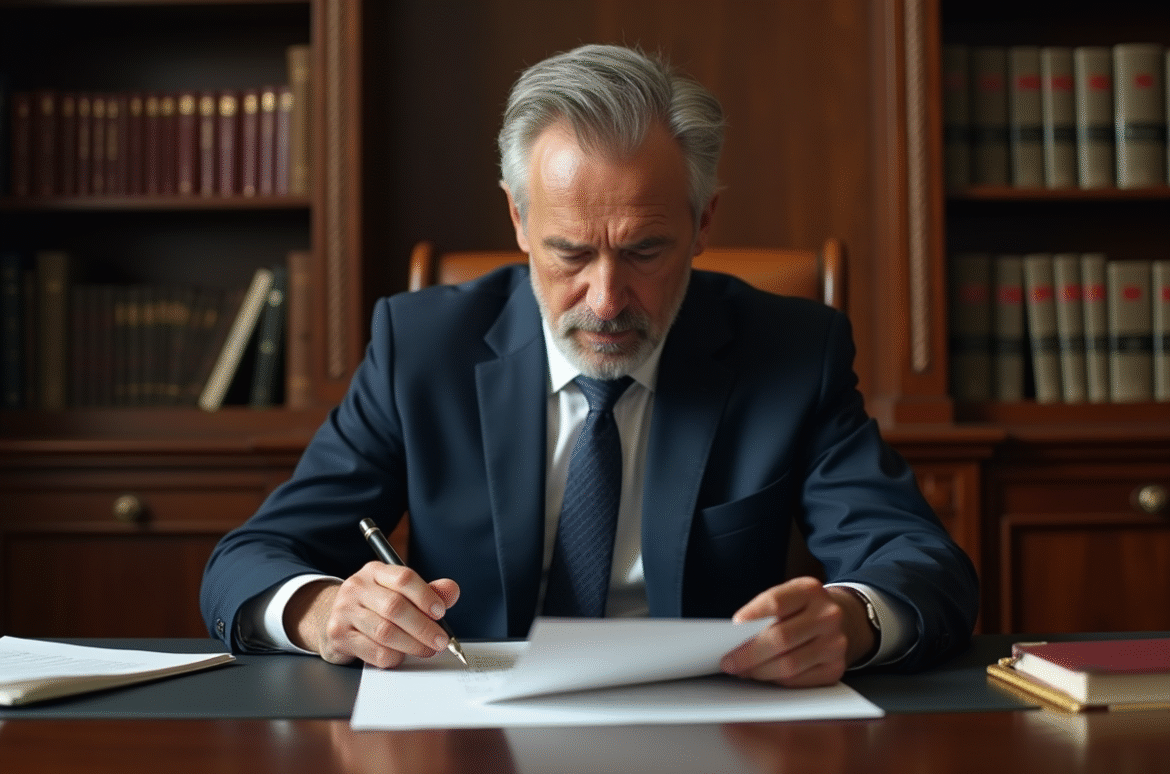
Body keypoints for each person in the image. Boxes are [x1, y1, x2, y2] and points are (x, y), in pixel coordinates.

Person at [201, 43, 978, 688]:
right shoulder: (422, 347)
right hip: (473, 731)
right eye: (570, 252)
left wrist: (855, 618)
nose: (606, 300)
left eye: (645, 250)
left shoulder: (790, 351)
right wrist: (322, 610)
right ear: (518, 216)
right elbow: (249, 559)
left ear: (703, 221)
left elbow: (921, 562)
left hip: (706, 729)